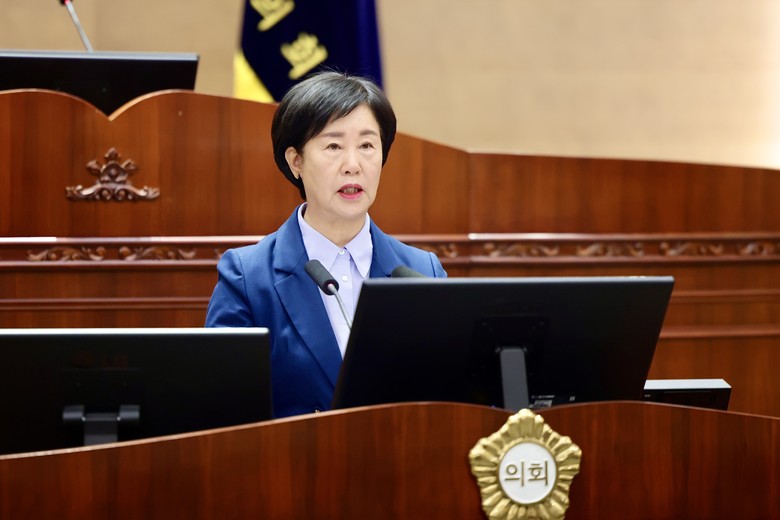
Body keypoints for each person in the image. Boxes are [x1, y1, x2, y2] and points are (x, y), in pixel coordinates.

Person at [205, 71, 447, 418]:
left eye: (367, 146)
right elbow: (224, 410)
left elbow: (448, 397)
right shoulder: (248, 276)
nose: (353, 165)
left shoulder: (423, 272)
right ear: (296, 161)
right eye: (333, 146)